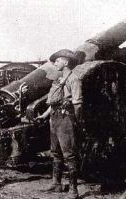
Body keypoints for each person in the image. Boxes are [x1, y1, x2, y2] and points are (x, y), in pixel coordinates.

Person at [36, 49, 83, 199]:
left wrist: (75, 120)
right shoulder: (59, 79)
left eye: (58, 60)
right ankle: (56, 184)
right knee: (55, 151)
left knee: (68, 154)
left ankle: (73, 191)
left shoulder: (73, 79)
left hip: (65, 119)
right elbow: (54, 102)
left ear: (66, 62)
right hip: (55, 118)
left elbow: (77, 103)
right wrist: (44, 116)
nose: (55, 62)